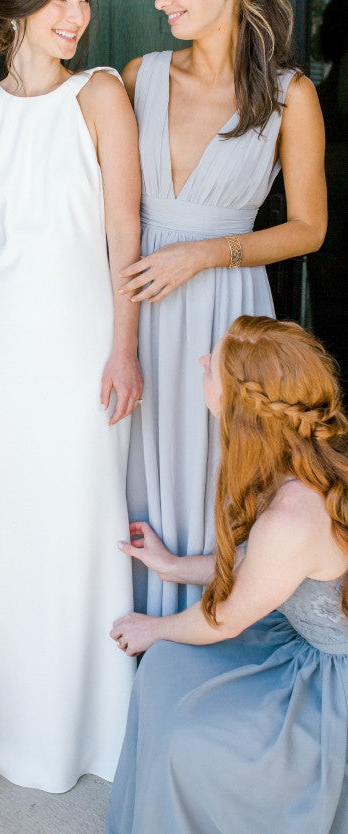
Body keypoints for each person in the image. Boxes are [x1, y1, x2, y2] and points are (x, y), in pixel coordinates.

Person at [0, 0, 142, 793]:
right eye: (59, 0)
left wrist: (124, 344)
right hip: (1, 346)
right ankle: (2, 725)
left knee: (82, 518)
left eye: (82, 0)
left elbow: (123, 230)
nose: (78, 14)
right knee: (9, 525)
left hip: (87, 338)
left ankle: (92, 726)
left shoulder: (100, 92)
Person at [120, 0, 327, 616]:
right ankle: (130, 624)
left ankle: (206, 622)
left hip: (224, 306)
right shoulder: (140, 76)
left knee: (218, 462)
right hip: (134, 300)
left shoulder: (291, 95)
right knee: (130, 457)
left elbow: (309, 228)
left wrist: (205, 254)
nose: (161, 3)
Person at [108, 315, 348, 834]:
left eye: (211, 366)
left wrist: (153, 627)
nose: (201, 362)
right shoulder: (298, 461)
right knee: (168, 668)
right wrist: (173, 566)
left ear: (241, 408)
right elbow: (259, 568)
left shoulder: (292, 514)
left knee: (186, 736)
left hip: (332, 680)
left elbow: (225, 619)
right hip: (298, 636)